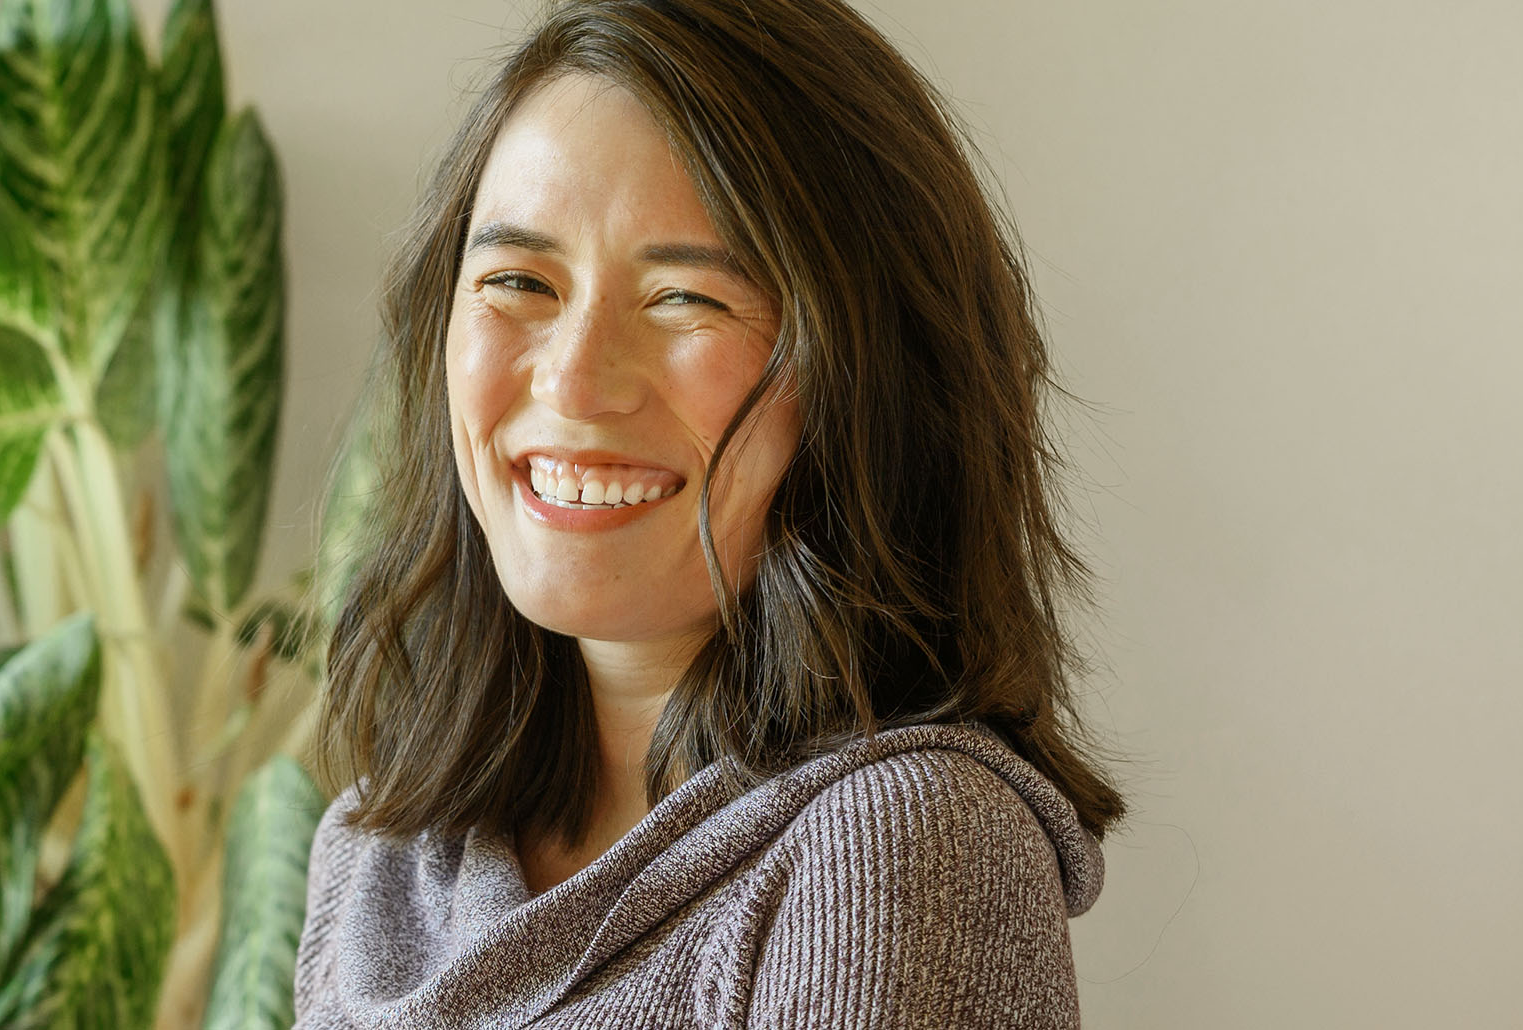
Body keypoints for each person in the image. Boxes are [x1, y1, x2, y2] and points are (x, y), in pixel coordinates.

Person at [298, 0, 1128, 1025]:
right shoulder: (376, 851)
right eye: (519, 280)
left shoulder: (899, 846)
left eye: (686, 299)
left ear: (863, 378)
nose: (573, 382)